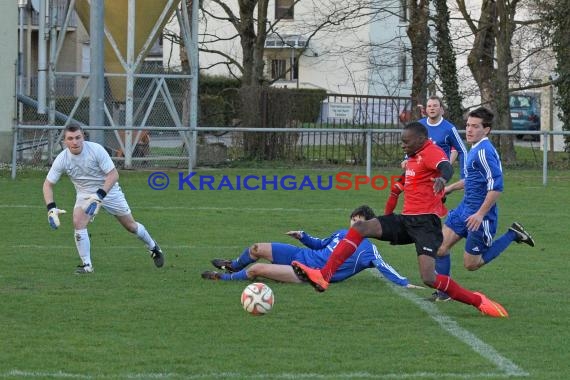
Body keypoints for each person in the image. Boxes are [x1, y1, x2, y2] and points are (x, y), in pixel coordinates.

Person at [292, 121, 510, 318]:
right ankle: (324, 276)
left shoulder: (431, 151)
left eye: (406, 141)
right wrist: (389, 208)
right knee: (360, 227)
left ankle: (477, 301)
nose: (402, 145)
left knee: (428, 278)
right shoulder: (413, 159)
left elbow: (445, 166)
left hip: (426, 224)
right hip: (406, 221)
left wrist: (443, 179)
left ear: (421, 140)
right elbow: (398, 189)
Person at [201, 205, 422, 289]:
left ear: (370, 226)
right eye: (353, 220)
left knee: (256, 270)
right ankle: (232, 266)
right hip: (301, 254)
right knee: (256, 248)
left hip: (307, 273)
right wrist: (302, 236)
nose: (354, 224)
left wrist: (405, 283)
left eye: (359, 221)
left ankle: (223, 279)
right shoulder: (342, 234)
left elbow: (385, 267)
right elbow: (320, 244)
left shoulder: (367, 250)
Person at [42, 124, 164, 274]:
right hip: (84, 194)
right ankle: (87, 266)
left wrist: (99, 195)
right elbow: (48, 184)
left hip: (109, 190)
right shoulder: (62, 159)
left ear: (83, 138)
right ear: (65, 141)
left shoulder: (96, 150)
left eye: (78, 137)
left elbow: (113, 175)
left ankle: (153, 247)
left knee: (131, 226)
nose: (75, 142)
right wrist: (51, 208)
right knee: (78, 222)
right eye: (70, 138)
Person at [385, 96, 468, 302]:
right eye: (429, 106)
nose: (432, 109)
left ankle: (443, 286)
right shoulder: (419, 126)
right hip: (419, 184)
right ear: (425, 110)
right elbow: (412, 151)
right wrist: (407, 162)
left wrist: (459, 174)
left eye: (435, 106)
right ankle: (442, 286)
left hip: (435, 184)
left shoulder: (448, 128)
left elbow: (461, 149)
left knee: (439, 242)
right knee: (438, 242)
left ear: (442, 108)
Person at [436, 107, 534, 272]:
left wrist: (480, 214)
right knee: (439, 248)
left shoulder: (484, 152)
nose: (469, 129)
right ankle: (443, 294)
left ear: (486, 130)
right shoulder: (475, 148)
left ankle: (513, 234)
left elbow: (496, 187)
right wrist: (449, 189)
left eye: (475, 126)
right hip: (465, 208)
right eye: (468, 125)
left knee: (471, 264)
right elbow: (474, 180)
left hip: (481, 216)